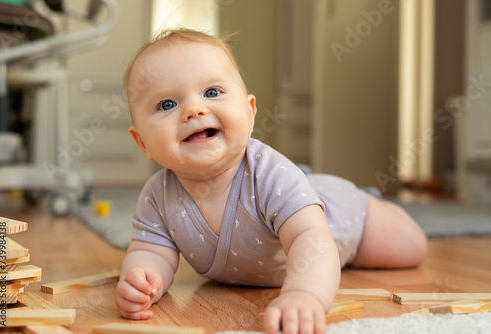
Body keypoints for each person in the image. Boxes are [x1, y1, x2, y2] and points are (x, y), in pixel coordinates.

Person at [115, 28, 428, 334]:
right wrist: (141, 280)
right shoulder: (158, 196)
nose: (194, 110)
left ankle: (370, 199)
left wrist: (303, 294)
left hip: (346, 218)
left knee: (412, 247)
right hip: (295, 205)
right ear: (142, 142)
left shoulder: (266, 171)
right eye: (167, 104)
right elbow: (152, 252)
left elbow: (311, 239)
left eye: (212, 92)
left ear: (250, 112)